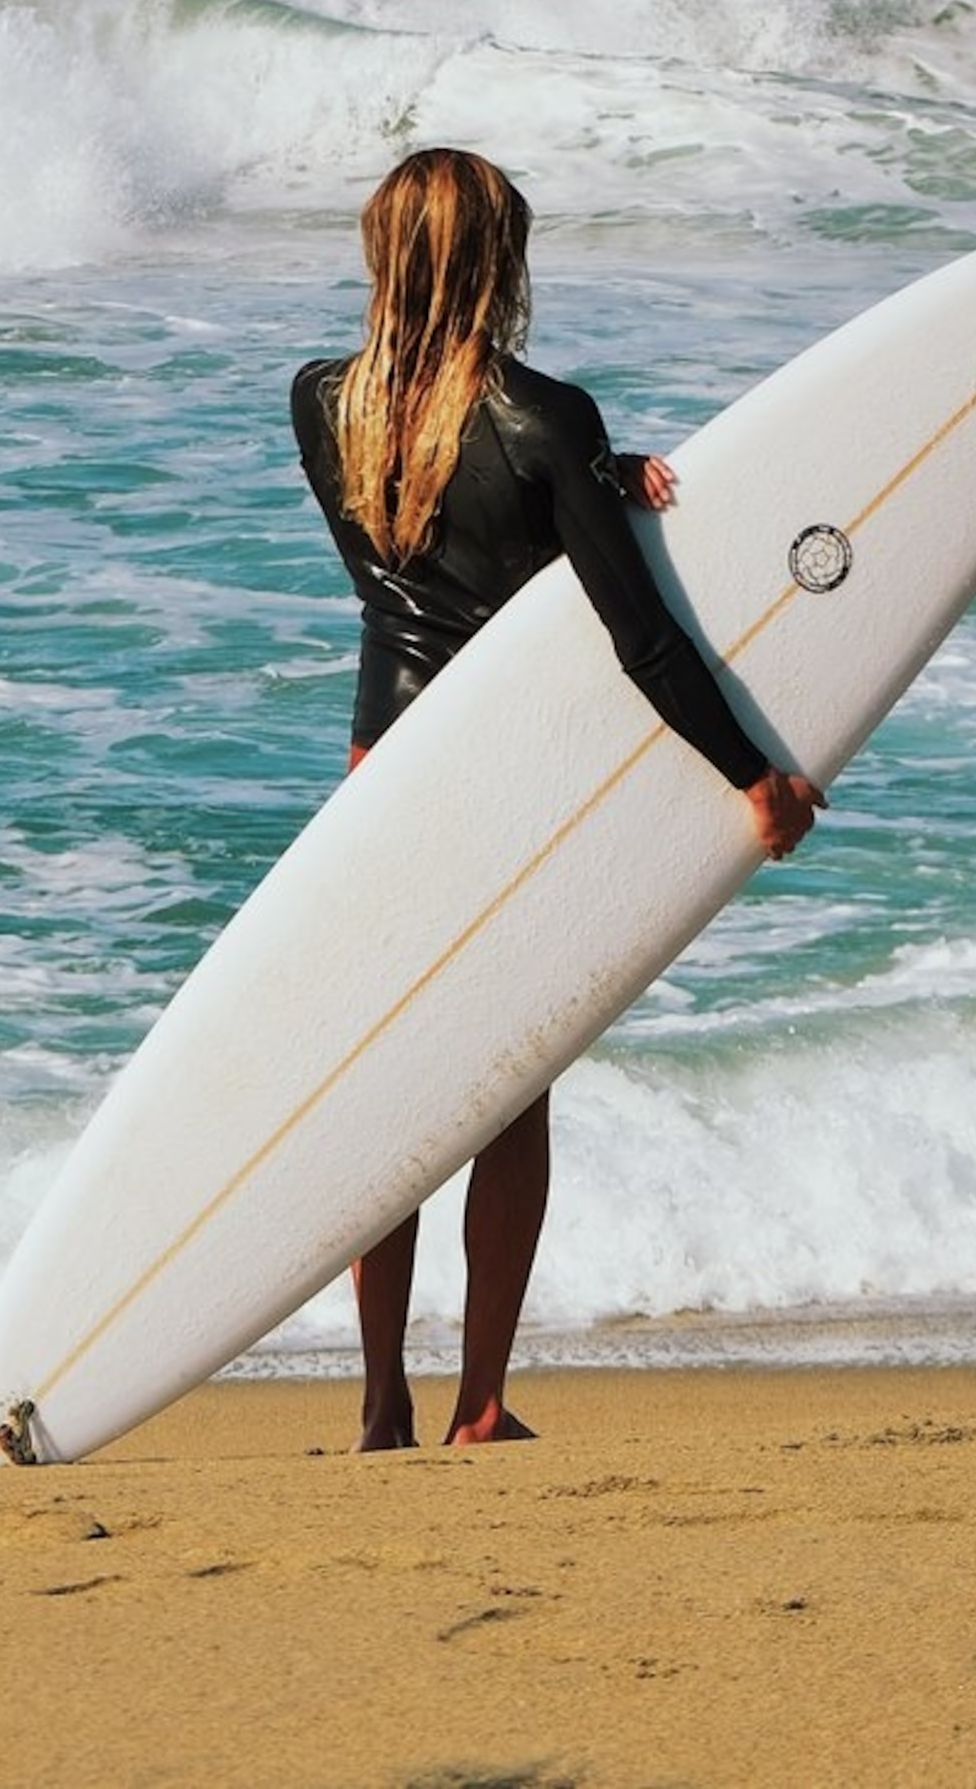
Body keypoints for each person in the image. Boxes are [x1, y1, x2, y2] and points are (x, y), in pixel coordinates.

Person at [291, 149, 819, 1452]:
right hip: (504, 783)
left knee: (396, 1084)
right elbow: (637, 637)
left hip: (378, 772)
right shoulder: (547, 418)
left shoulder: (318, 402)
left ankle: (378, 1403)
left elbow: (424, 556)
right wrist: (754, 775)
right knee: (505, 1087)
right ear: (499, 262)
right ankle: (477, 1404)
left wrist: (592, 485)